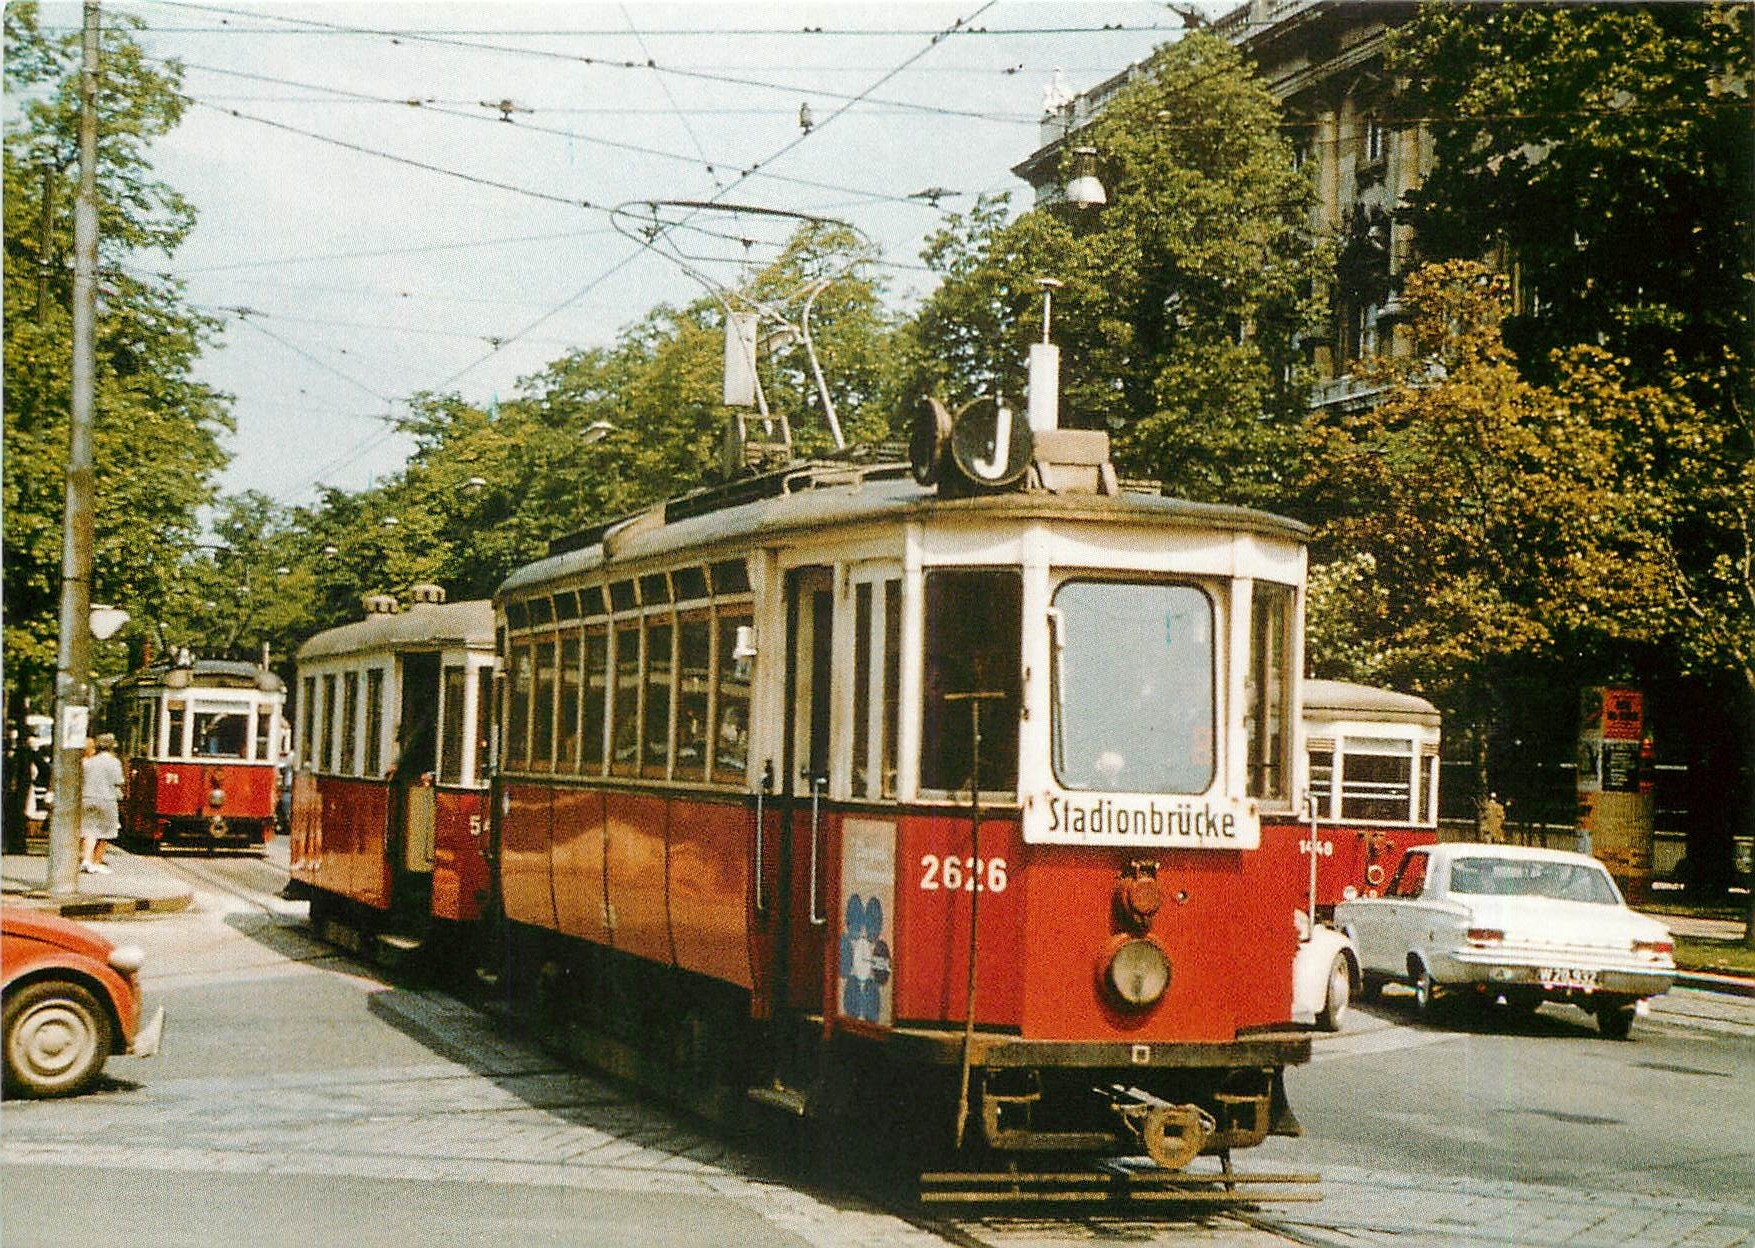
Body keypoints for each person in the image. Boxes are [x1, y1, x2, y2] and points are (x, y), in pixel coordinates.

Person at [80, 732, 126, 875]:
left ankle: (86, 859)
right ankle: (97, 862)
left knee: (89, 830)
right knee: (105, 832)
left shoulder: (88, 762)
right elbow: (118, 781)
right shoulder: (114, 762)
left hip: (87, 798)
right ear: (111, 747)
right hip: (107, 800)